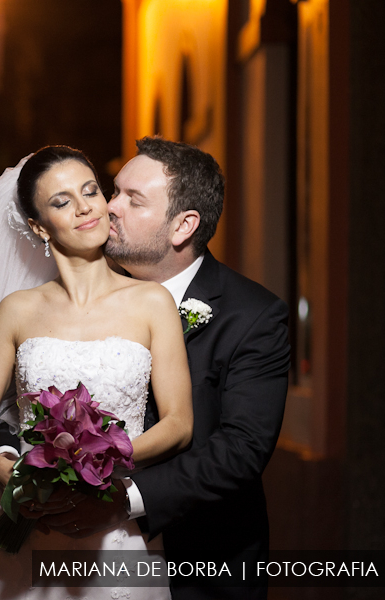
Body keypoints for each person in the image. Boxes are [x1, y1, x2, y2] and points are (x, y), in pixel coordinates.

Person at [0, 145, 193, 600]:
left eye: (90, 191)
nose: (85, 206)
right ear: (38, 226)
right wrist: (6, 471)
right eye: (62, 201)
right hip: (27, 523)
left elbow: (180, 424)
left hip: (115, 532)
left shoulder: (152, 302)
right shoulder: (17, 310)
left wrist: (99, 468)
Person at [38, 137, 291, 600]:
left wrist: (124, 503)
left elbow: (242, 449)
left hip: (202, 563)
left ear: (183, 226)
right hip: (75, 557)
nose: (109, 207)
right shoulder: (79, 297)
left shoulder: (253, 316)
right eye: (113, 191)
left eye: (133, 199)